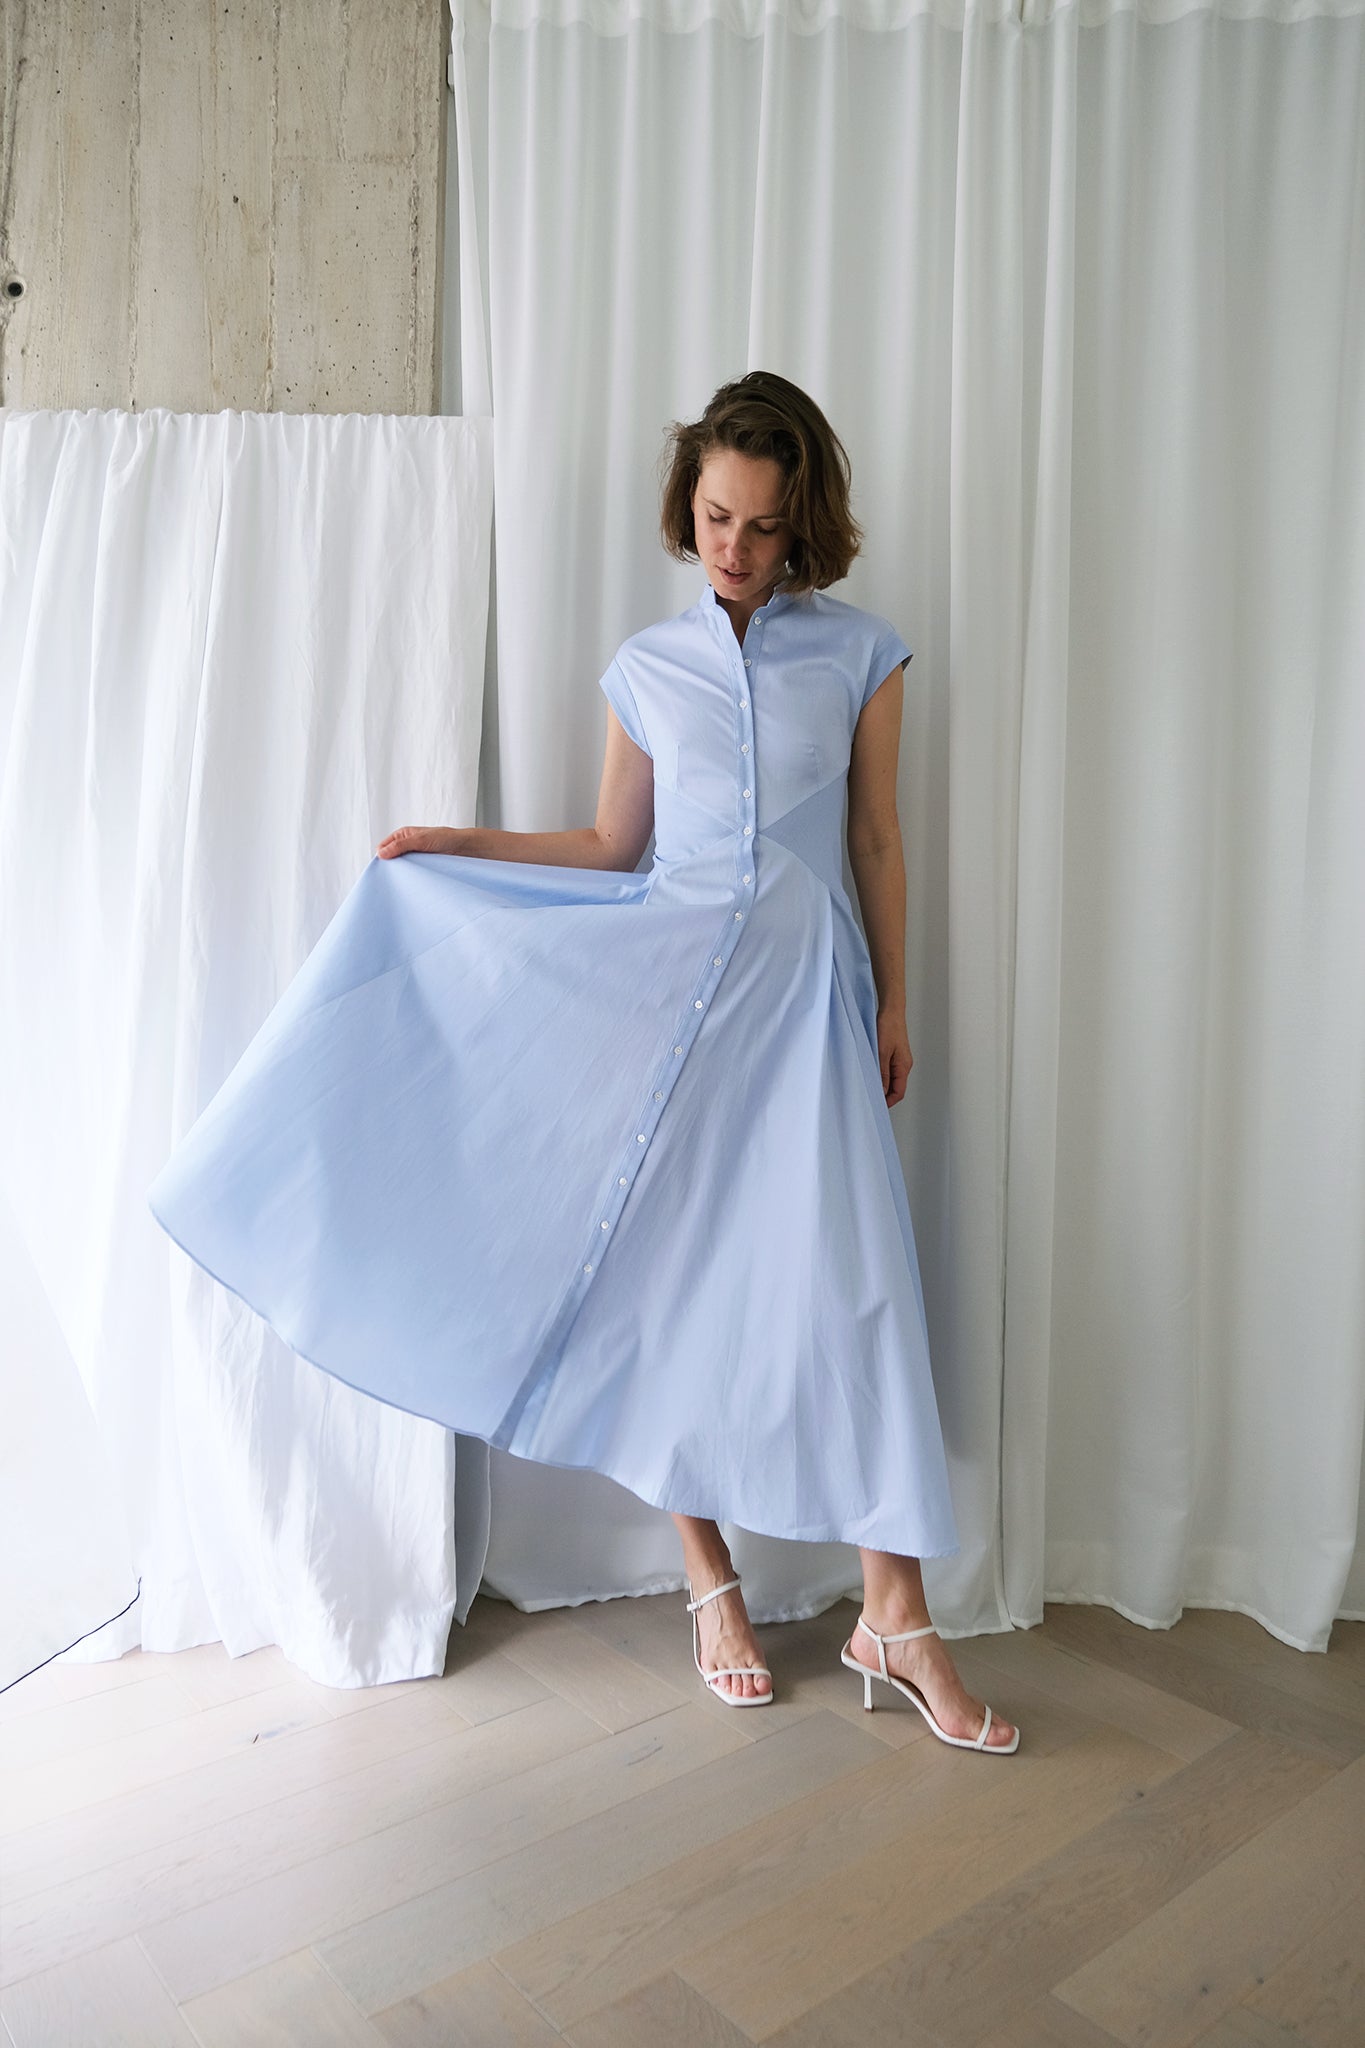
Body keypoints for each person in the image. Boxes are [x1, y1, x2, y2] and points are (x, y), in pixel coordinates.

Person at [148, 371, 1017, 1754]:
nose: (734, 547)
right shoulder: (647, 668)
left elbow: (872, 839)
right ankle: (710, 1584)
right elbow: (615, 849)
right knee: (661, 1288)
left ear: (802, 525)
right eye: (716, 517)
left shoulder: (863, 655)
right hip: (665, 1005)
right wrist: (460, 844)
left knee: (857, 1296)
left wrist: (896, 1000)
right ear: (688, 504)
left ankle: (894, 1616)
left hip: (807, 1009)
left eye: (762, 525)